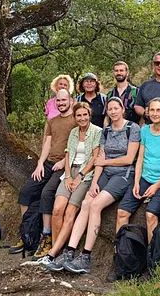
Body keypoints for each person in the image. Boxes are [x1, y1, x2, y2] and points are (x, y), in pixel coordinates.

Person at [42, 97, 140, 273]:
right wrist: (94, 182)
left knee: (95, 205)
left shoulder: (132, 128)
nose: (113, 112)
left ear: (122, 109)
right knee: (86, 202)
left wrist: (106, 162)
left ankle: (86, 256)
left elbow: (128, 159)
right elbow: (99, 162)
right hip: (104, 174)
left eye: (116, 108)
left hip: (123, 175)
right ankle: (69, 251)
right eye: (110, 109)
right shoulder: (106, 131)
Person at [9, 89, 76, 259]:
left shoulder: (76, 119)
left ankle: (46, 236)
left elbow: (78, 143)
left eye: (64, 100)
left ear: (70, 100)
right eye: (58, 101)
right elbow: (47, 143)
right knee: (26, 192)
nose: (61, 103)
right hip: (48, 163)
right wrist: (40, 164)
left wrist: (64, 161)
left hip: (64, 164)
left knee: (47, 194)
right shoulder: (52, 121)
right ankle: (27, 232)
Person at [35, 102, 101, 261]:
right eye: (79, 115)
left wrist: (79, 176)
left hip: (86, 173)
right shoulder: (73, 132)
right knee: (57, 209)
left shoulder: (97, 132)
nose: (82, 118)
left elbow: (95, 158)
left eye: (85, 115)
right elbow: (67, 154)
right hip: (69, 171)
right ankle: (55, 250)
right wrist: (68, 176)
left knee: (70, 211)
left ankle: (58, 252)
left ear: (89, 115)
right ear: (75, 117)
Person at [117, 98, 160, 242]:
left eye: (159, 110)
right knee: (122, 212)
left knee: (151, 214)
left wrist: (157, 186)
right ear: (147, 112)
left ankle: (152, 257)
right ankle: (122, 252)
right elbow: (140, 158)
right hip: (145, 177)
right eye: (152, 110)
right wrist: (137, 182)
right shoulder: (144, 130)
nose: (155, 113)